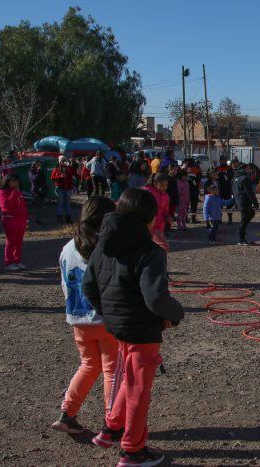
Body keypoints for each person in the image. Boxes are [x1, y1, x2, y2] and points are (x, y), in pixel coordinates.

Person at [83, 188, 184, 466]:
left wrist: (110, 313)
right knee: (139, 387)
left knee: (129, 378)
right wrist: (176, 314)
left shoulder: (103, 243)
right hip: (141, 329)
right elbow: (155, 298)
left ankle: (111, 429)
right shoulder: (150, 251)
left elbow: (88, 286)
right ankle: (132, 449)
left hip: (118, 327)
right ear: (149, 218)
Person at [53, 196, 118, 434]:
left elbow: (63, 282)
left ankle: (67, 413)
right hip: (104, 319)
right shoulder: (105, 247)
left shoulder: (68, 247)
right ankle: (113, 422)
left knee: (89, 365)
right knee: (112, 370)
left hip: (77, 317)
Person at [0, 173, 28, 271]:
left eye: (17, 181)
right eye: (13, 181)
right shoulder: (2, 192)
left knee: (19, 242)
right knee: (11, 241)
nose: (16, 183)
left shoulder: (18, 192)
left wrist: (26, 218)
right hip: (9, 218)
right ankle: (8, 262)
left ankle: (17, 260)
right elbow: (6, 205)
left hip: (21, 219)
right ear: (8, 182)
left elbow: (23, 206)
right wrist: (14, 193)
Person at [231, 159, 259, 246]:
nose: (249, 170)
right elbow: (249, 192)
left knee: (251, 213)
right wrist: (255, 203)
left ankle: (241, 229)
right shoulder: (244, 179)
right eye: (247, 169)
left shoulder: (235, 178)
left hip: (239, 201)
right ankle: (241, 239)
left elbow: (233, 192)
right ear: (243, 170)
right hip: (244, 201)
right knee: (244, 220)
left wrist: (235, 202)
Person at [144, 173, 171, 251]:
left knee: (156, 247)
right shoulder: (147, 192)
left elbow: (165, 210)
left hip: (160, 225)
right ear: (155, 184)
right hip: (149, 224)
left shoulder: (165, 196)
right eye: (162, 185)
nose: (165, 187)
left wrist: (168, 216)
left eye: (166, 185)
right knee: (163, 246)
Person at [52, 155, 77, 225]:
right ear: (59, 161)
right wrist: (60, 176)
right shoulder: (56, 169)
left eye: (64, 160)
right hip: (60, 188)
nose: (63, 162)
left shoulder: (68, 168)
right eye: (62, 160)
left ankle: (68, 218)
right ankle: (59, 218)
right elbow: (52, 177)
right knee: (60, 203)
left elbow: (73, 174)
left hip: (68, 188)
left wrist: (68, 170)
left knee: (67, 203)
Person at [29, 160, 47, 226]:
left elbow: (43, 180)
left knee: (41, 206)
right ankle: (37, 220)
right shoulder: (31, 171)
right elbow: (35, 179)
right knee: (38, 206)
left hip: (41, 191)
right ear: (35, 164)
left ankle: (39, 220)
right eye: (38, 164)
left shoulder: (40, 171)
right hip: (35, 191)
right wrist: (39, 171)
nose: (39, 166)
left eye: (40, 164)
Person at [185, 159, 202, 223]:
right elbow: (199, 178)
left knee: (186, 205)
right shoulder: (197, 169)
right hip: (194, 189)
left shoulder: (185, 169)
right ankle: (193, 219)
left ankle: (185, 218)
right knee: (194, 205)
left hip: (186, 189)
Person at [165, 166, 179, 233]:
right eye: (175, 169)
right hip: (168, 200)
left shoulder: (174, 178)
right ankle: (166, 228)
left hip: (173, 199)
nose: (176, 171)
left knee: (171, 214)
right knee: (168, 214)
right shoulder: (167, 178)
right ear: (170, 170)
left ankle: (168, 227)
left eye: (176, 170)